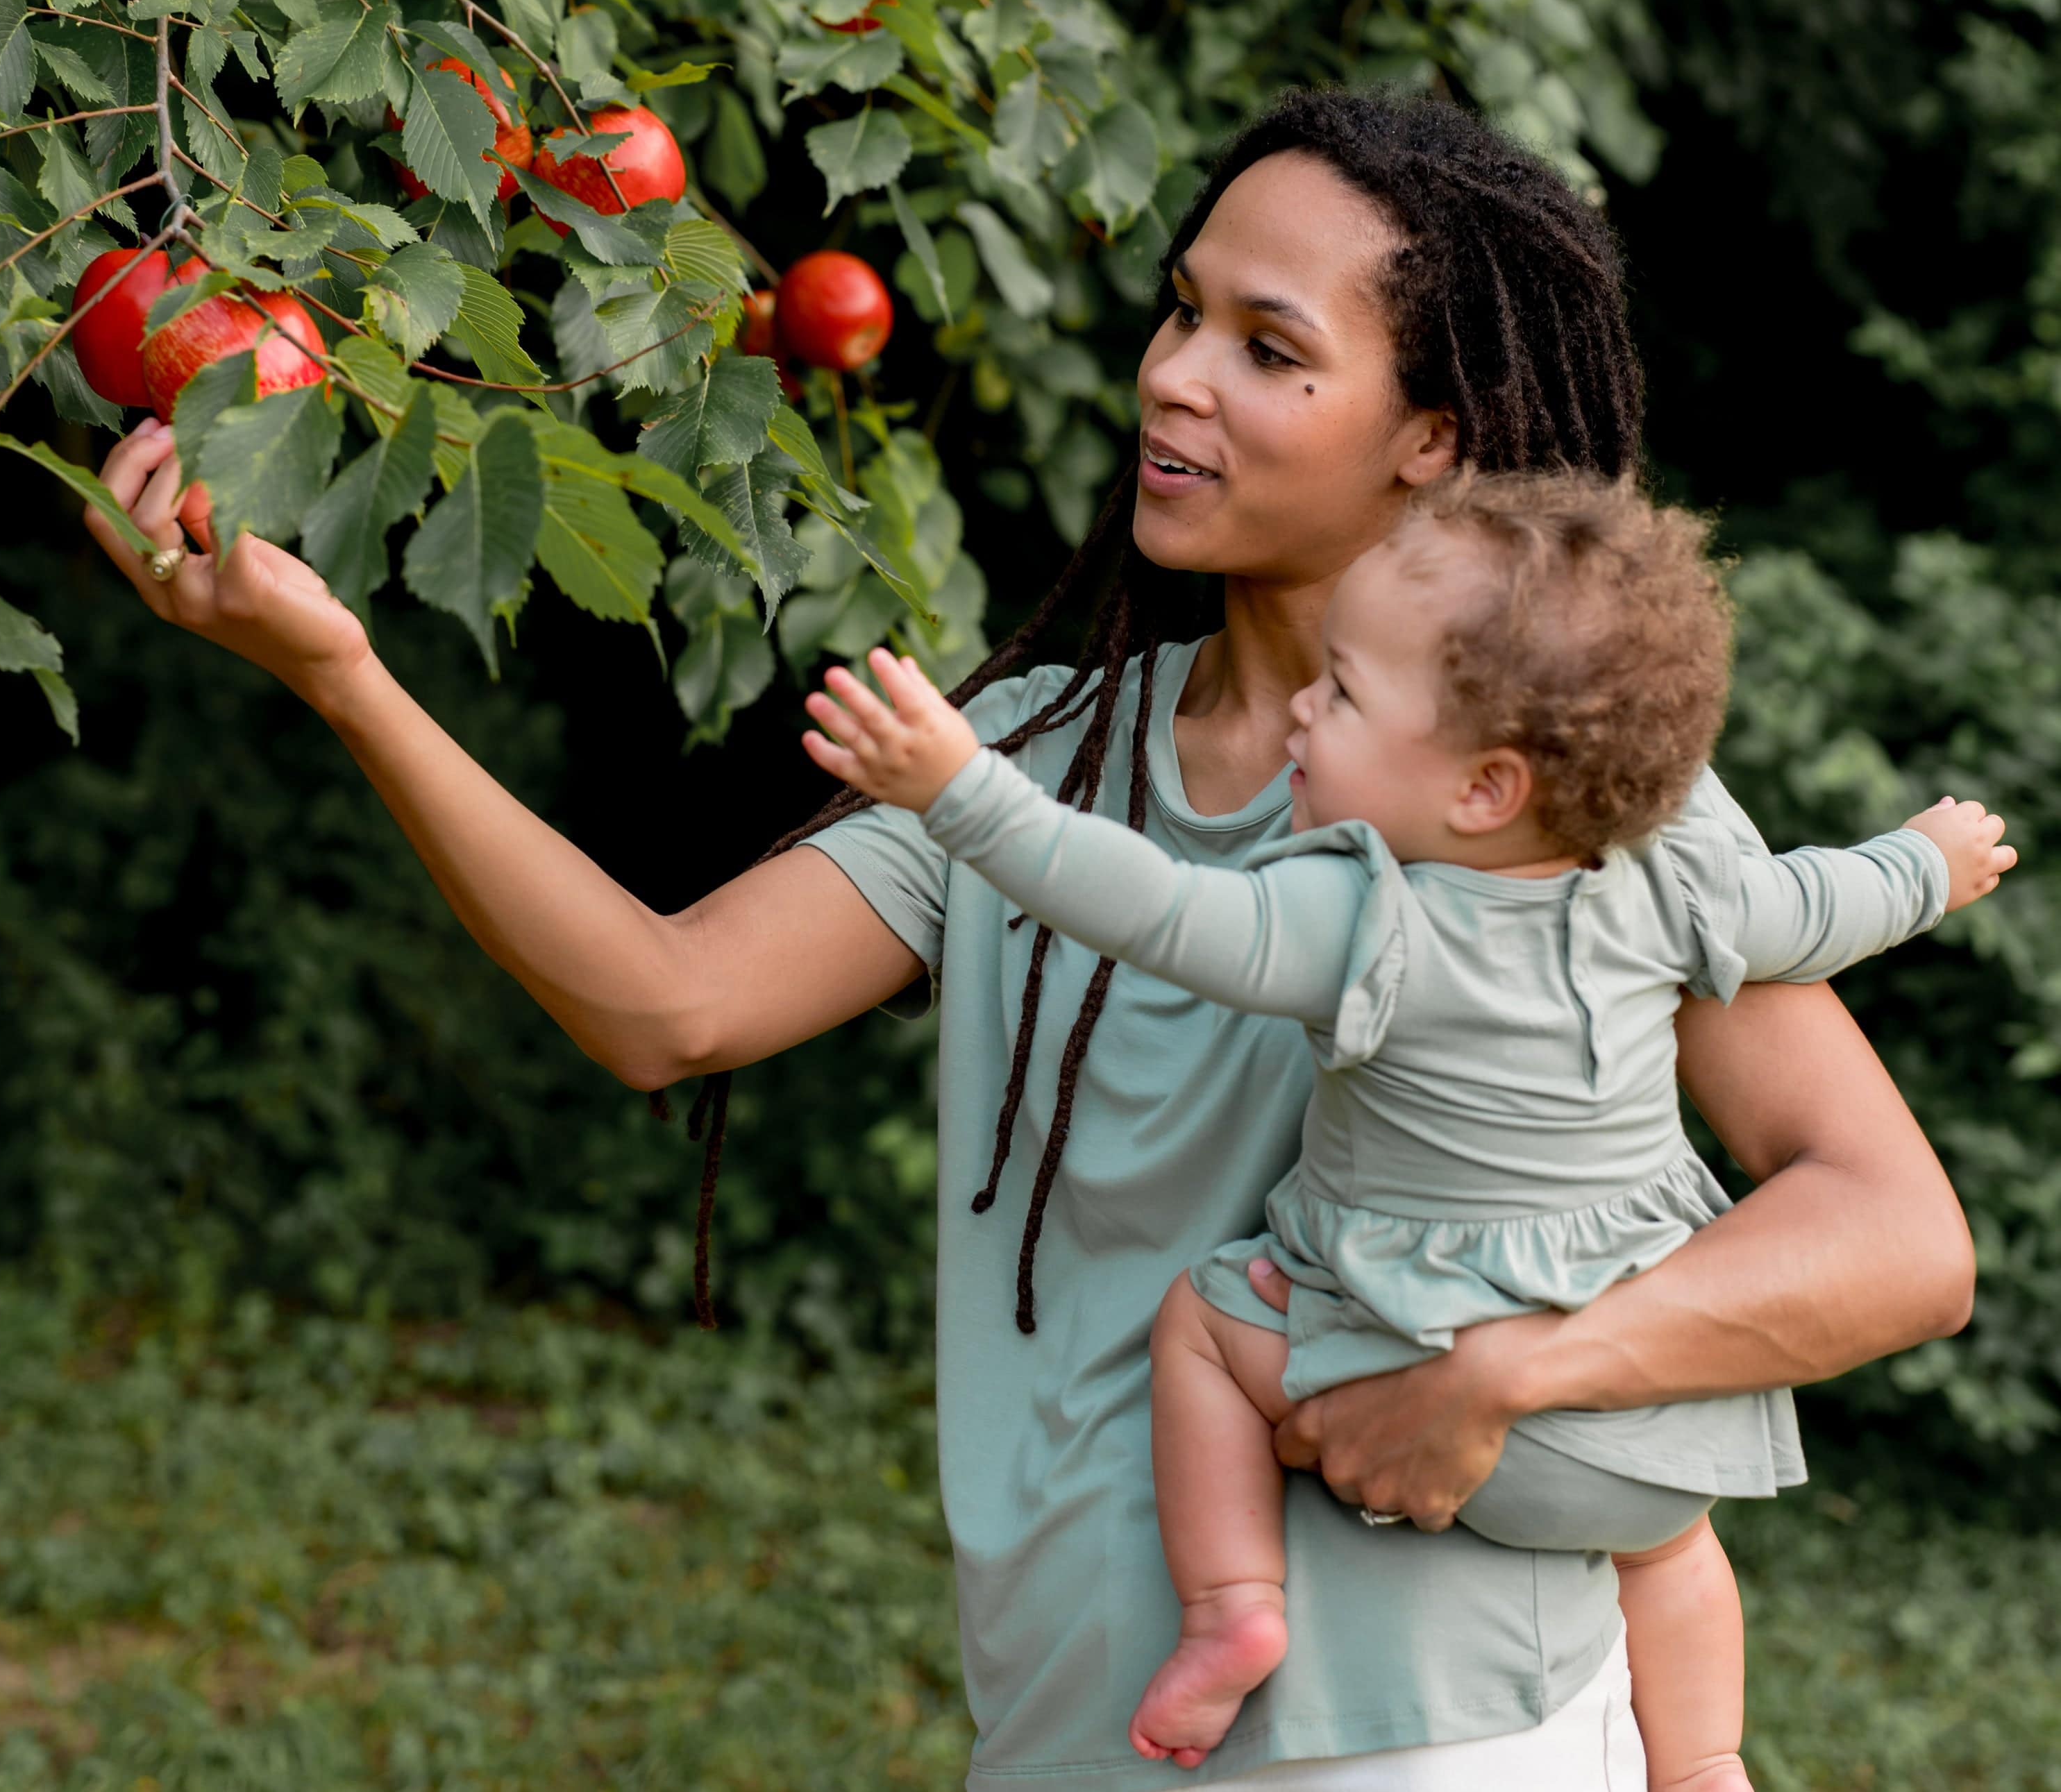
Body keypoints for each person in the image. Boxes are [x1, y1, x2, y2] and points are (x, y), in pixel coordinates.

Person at [83, 90, 1976, 1790]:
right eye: (1180, 314)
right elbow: (665, 1008)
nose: (1174, 377)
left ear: (1434, 438)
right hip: (1079, 1723)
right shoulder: (1021, 767)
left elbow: (1890, 1241)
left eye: (1269, 350)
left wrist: (1511, 1377)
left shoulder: (1553, 808)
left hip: (1433, 1733)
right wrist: (342, 677)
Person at [791, 469, 2014, 1791]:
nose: (1307, 708)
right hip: (1638, 1418)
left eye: (1345, 693)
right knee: (1672, 1554)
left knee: (1204, 1323)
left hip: (1412, 1367)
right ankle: (1706, 1757)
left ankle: (1231, 1607)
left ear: (1486, 789)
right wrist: (1933, 864)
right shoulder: (1676, 881)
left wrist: (965, 791)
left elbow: (1151, 907)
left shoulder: (1369, 924)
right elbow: (1821, 903)